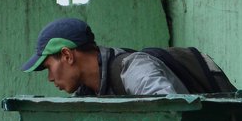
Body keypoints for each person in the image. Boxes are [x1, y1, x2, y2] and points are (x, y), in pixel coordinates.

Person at [21, 17, 194, 96]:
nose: (50, 78)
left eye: (48, 67)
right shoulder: (87, 94)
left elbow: (170, 113)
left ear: (67, 55)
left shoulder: (135, 69)